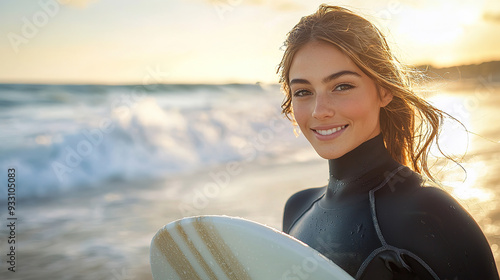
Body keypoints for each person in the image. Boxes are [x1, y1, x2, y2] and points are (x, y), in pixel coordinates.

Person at [278, 5, 499, 280]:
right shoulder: (296, 209)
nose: (319, 110)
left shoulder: (429, 213)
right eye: (303, 91)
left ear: (384, 91)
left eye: (342, 86)